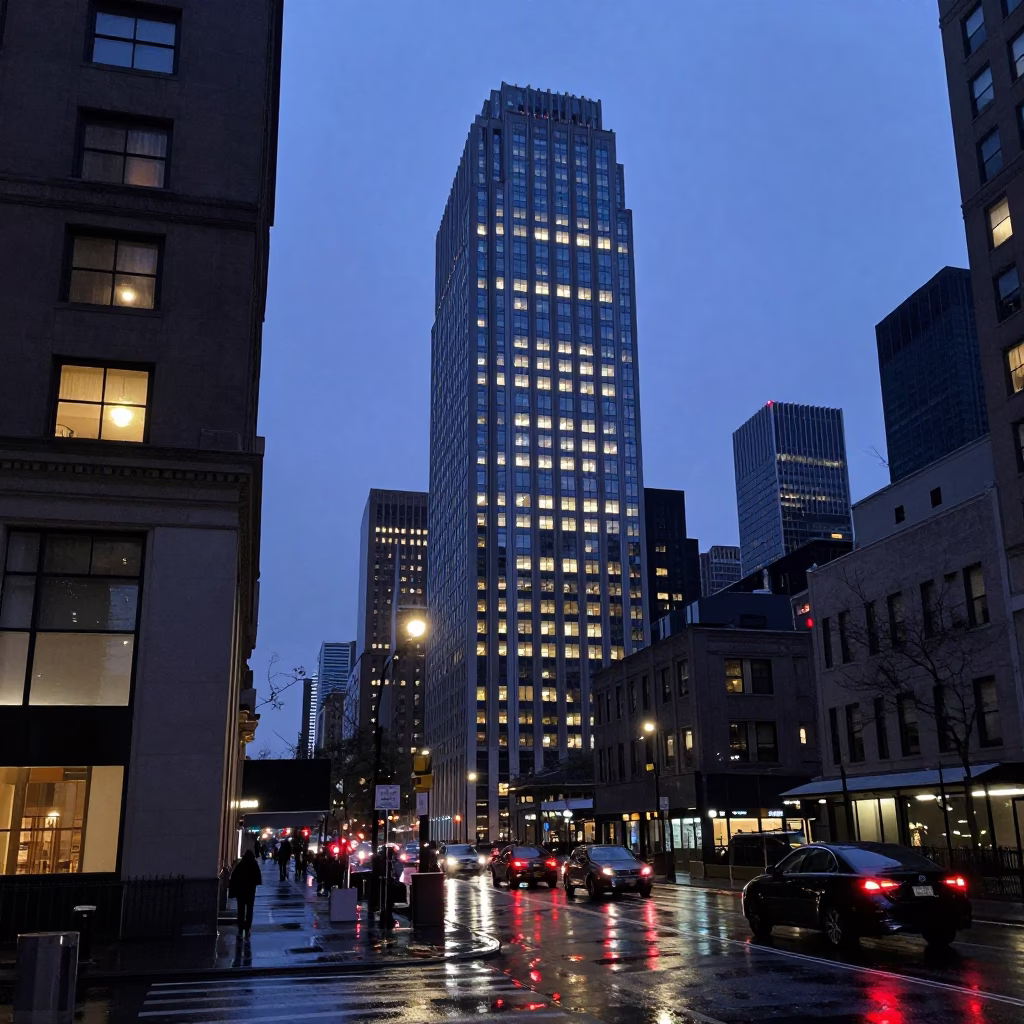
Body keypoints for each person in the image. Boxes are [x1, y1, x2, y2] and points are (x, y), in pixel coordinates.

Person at [229, 849, 262, 938]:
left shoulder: (240, 865)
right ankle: (247, 928)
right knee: (249, 910)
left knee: (241, 910)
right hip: (250, 892)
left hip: (241, 892)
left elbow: (233, 878)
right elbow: (258, 879)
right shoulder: (254, 865)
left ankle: (240, 928)